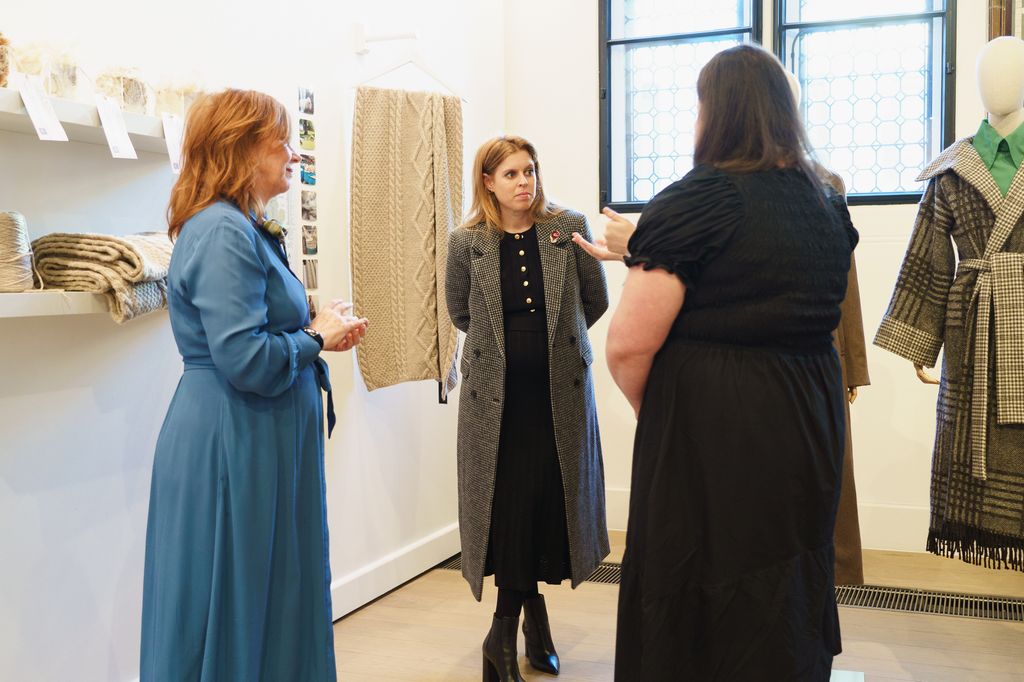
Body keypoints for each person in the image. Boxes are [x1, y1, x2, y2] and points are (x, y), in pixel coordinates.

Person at [596, 45, 856, 680]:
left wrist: (665, 415)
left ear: (721, 112)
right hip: (808, 417)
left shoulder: (702, 199)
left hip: (713, 429)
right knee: (785, 576)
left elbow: (629, 346)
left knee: (704, 580)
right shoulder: (825, 202)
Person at [140, 89, 368, 682]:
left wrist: (319, 332)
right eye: (281, 142)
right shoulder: (221, 231)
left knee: (266, 590)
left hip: (256, 432)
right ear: (242, 150)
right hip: (232, 436)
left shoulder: (240, 225)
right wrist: (314, 338)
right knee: (236, 594)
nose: (293, 154)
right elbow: (244, 359)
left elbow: (260, 335)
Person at [446, 135, 609, 681]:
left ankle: (512, 630)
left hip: (558, 394)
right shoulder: (467, 242)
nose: (524, 182)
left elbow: (596, 298)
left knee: (543, 505)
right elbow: (462, 312)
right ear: (488, 182)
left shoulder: (567, 227)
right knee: (510, 508)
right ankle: (518, 630)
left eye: (530, 171)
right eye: (512, 174)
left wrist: (555, 343)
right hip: (496, 401)